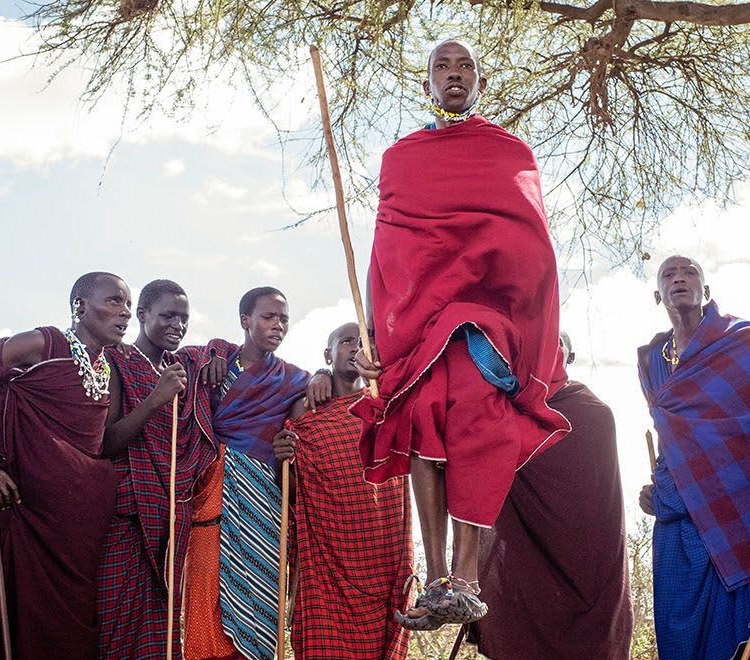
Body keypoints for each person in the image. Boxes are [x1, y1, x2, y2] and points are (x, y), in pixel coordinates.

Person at [350, 39, 571, 631]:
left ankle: (465, 575)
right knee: (422, 415)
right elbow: (390, 253)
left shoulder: (508, 152)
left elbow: (531, 248)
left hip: (485, 321)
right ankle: (436, 577)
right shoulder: (402, 158)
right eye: (442, 67)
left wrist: (529, 320)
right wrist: (379, 333)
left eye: (465, 66)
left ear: (479, 82)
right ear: (427, 85)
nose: (454, 74)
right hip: (421, 322)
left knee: (476, 417)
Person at [0, 272, 130, 660]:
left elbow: (102, 446)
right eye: (114, 301)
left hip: (73, 526)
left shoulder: (108, 369)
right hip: (17, 507)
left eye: (127, 304)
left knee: (64, 636)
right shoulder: (42, 343)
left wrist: (157, 401)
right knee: (1, 627)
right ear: (80, 305)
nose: (125, 312)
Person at [634, 256, 750, 659]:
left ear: (707, 291)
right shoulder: (652, 359)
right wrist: (663, 487)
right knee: (678, 624)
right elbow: (674, 432)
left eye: (689, 272)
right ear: (658, 295)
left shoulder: (747, 341)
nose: (679, 279)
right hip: (676, 509)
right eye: (669, 275)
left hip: (739, 508)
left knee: (749, 627)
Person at [465, 330, 632, 659]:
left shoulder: (594, 414)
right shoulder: (503, 413)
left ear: (569, 357)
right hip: (526, 571)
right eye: (540, 345)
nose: (548, 353)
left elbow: (602, 509)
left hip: (588, 571)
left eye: (558, 345)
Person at [273, 322, 413, 660]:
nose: (355, 348)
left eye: (361, 342)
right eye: (346, 342)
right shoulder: (306, 411)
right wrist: (281, 459)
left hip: (384, 550)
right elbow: (293, 494)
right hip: (329, 559)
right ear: (328, 354)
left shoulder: (386, 404)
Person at [184, 286, 308, 660]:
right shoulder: (211, 367)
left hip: (265, 507)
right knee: (205, 593)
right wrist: (211, 352)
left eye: (283, 318)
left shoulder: (294, 379)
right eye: (269, 317)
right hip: (210, 498)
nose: (278, 325)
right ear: (245, 320)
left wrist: (321, 373)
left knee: (260, 595)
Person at [97, 279, 210, 660]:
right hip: (127, 516)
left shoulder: (183, 370)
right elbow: (106, 443)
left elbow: (223, 356)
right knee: (115, 623)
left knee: (160, 631)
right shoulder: (117, 360)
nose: (178, 325)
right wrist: (155, 399)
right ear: (142, 315)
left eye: (184, 318)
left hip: (169, 518)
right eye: (168, 316)